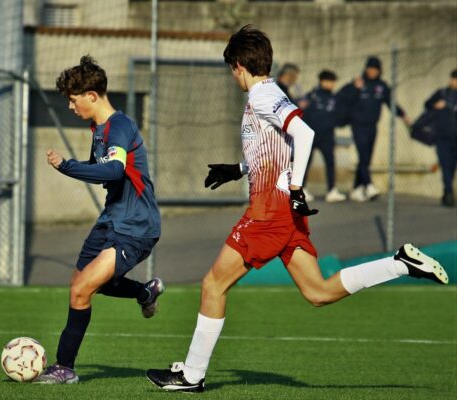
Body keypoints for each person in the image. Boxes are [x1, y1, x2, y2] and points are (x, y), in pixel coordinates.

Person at [145, 25, 448, 393]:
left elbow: (304, 134)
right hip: (284, 211)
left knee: (212, 283)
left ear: (239, 65)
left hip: (270, 211)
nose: (232, 77)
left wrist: (295, 187)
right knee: (317, 292)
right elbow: (278, 147)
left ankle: (192, 375)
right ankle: (400, 263)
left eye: (231, 70)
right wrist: (238, 169)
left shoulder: (261, 96)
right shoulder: (271, 92)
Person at [35, 56, 163, 384]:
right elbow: (102, 171)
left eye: (73, 99)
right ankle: (143, 292)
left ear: (92, 96)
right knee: (84, 285)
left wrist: (67, 165)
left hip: (135, 226)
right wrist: (79, 166)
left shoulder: (119, 126)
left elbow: (114, 170)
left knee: (81, 288)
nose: (70, 106)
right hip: (111, 220)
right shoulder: (100, 129)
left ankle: (65, 368)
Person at [339, 56, 411, 202]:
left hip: (372, 125)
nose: (372, 72)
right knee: (363, 155)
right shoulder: (358, 82)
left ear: (379, 71)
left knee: (366, 157)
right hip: (358, 125)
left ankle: (357, 188)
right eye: (370, 69)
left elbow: (391, 103)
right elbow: (342, 97)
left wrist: (403, 115)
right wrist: (354, 87)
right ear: (366, 69)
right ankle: (369, 185)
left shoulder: (382, 86)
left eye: (375, 69)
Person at [301, 69, 346, 203]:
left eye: (333, 82)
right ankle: (301, 189)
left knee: (330, 162)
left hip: (327, 137)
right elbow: (303, 112)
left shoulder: (334, 98)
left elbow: (338, 116)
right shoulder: (312, 96)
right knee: (305, 162)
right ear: (322, 81)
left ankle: (332, 190)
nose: (331, 84)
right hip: (311, 136)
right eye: (329, 81)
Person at [424, 69, 457, 207]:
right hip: (442, 137)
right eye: (454, 79)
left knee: (452, 166)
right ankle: (448, 192)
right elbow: (427, 104)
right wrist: (436, 105)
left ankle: (447, 191)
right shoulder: (442, 93)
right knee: (445, 164)